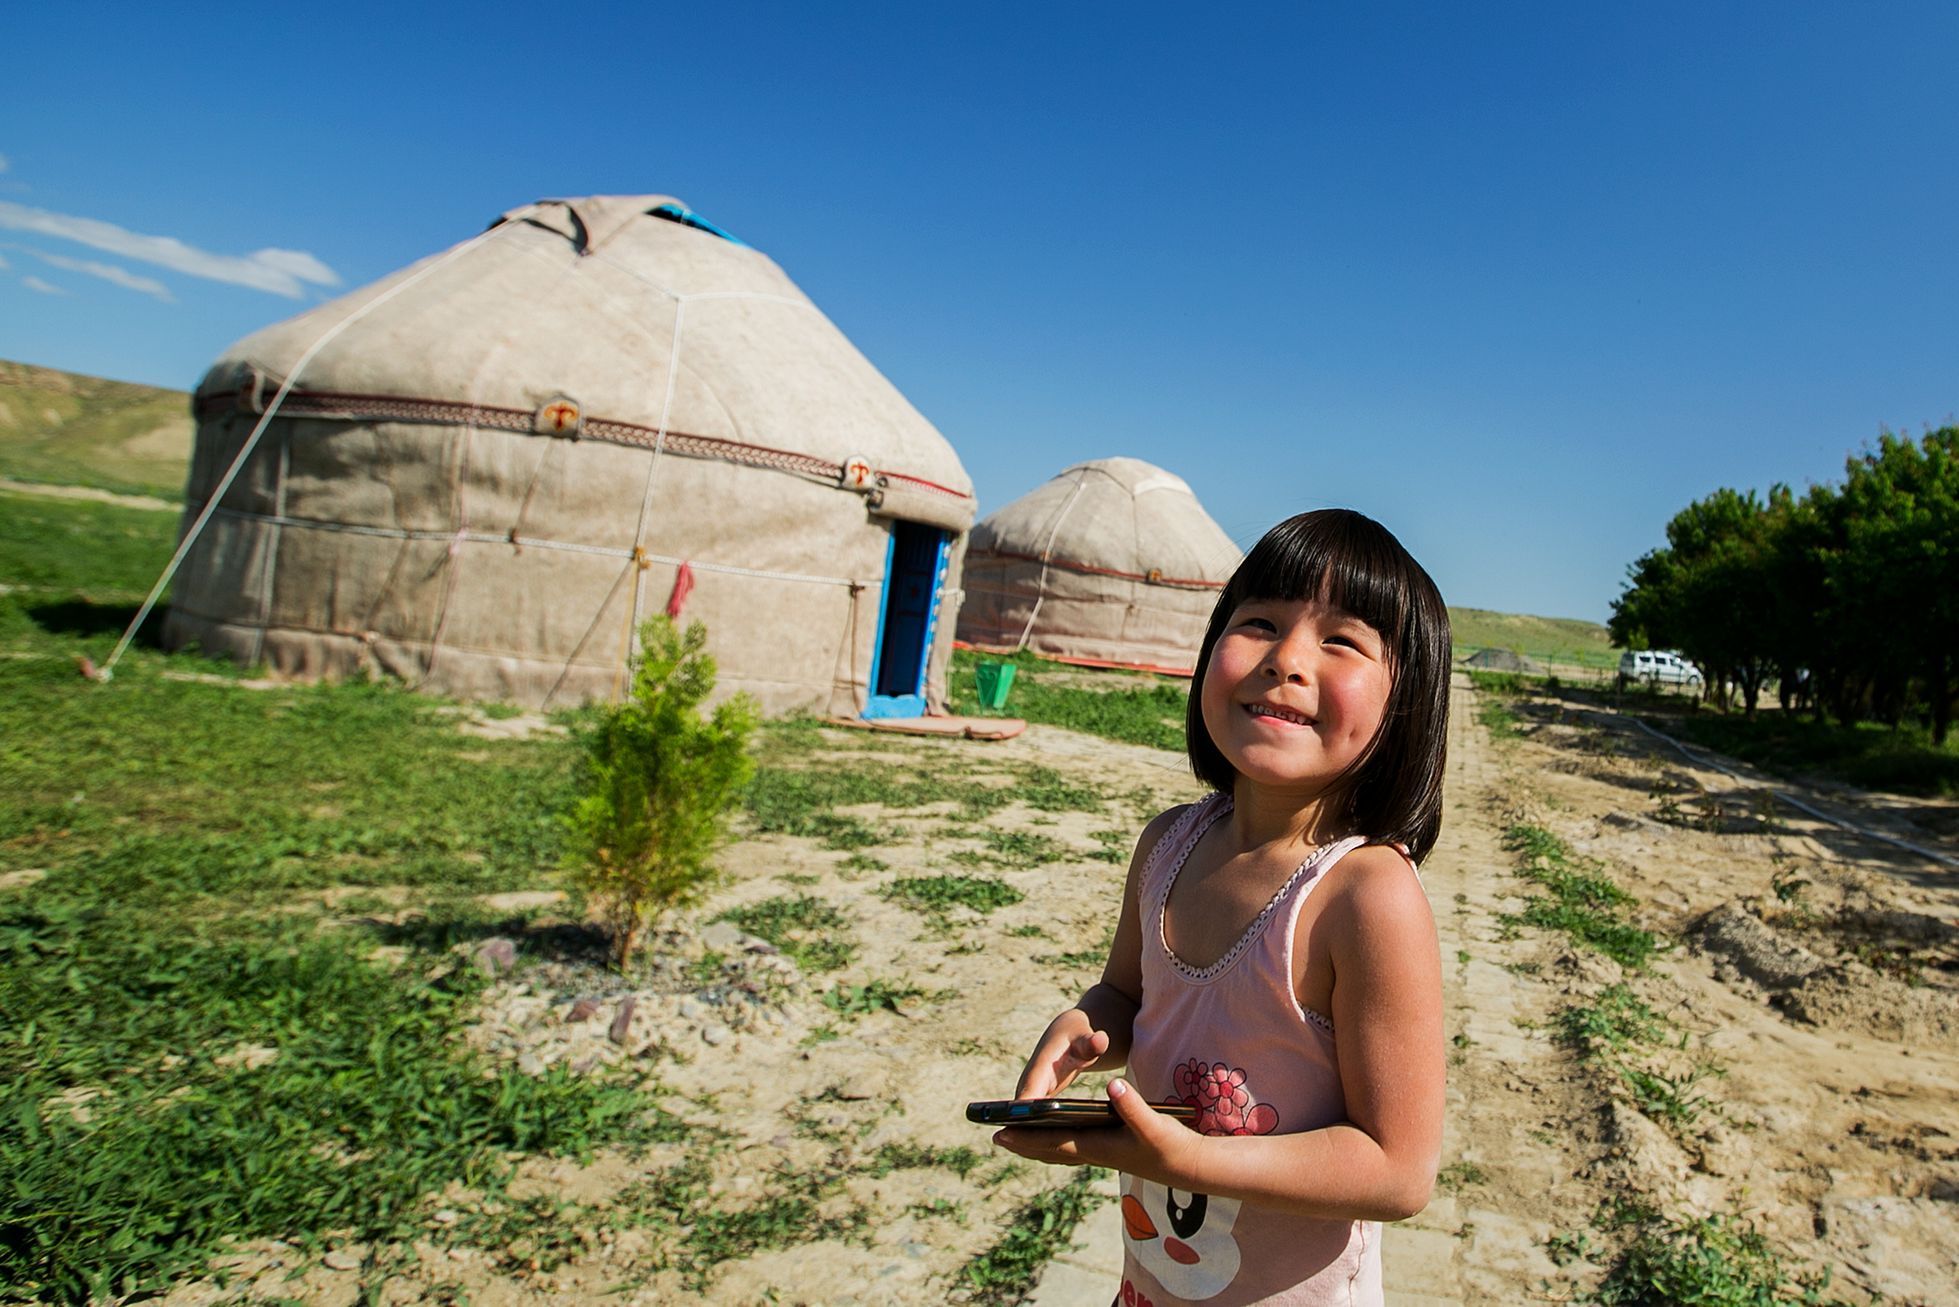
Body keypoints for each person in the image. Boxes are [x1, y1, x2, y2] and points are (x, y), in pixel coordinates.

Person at [995, 509, 1450, 1307]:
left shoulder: (1364, 896)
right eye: (1258, 623)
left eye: (1340, 640)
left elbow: (1396, 1169)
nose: (1286, 660)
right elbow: (1127, 997)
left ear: (1404, 700)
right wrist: (1084, 1026)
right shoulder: (1168, 842)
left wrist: (1180, 1161)